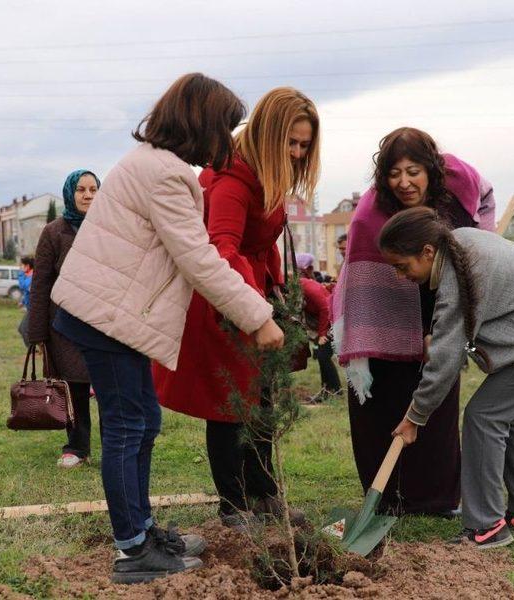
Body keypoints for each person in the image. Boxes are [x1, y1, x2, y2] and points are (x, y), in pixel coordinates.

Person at [50, 73, 284, 584]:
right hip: (107, 317)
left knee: (141, 422)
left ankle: (144, 529)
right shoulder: (167, 175)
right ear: (202, 125)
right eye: (225, 128)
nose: (228, 140)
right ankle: (134, 550)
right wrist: (258, 316)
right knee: (128, 427)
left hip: (113, 315)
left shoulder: (154, 165)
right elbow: (199, 259)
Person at [153, 87, 321, 532]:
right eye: (291, 142)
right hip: (223, 306)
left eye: (304, 145)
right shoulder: (233, 178)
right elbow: (220, 248)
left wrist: (281, 295)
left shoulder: (268, 176)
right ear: (268, 133)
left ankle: (265, 497)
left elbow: (262, 246)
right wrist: (254, 309)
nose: (298, 152)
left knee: (261, 402)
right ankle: (234, 506)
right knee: (230, 406)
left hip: (252, 298)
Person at [379, 206, 514, 549]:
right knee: (511, 418)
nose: (402, 276)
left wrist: (415, 416)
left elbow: (444, 360)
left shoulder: (458, 274)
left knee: (483, 417)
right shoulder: (460, 244)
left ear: (427, 252)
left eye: (403, 266)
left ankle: (485, 527)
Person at [330, 127, 495, 517]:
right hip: (383, 319)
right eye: (394, 173)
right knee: (382, 407)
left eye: (413, 171)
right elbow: (366, 280)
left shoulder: (453, 204)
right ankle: (385, 497)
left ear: (431, 171)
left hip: (443, 307)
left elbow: (471, 255)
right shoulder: (371, 215)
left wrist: (438, 331)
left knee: (435, 405)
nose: (404, 182)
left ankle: (435, 500)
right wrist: (406, 330)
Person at [28, 170, 100, 468]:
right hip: (65, 326)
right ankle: (77, 447)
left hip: (103, 322)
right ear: (70, 192)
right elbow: (41, 284)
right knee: (74, 386)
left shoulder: (108, 227)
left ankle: (117, 448)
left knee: (111, 388)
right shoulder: (54, 231)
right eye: (81, 189)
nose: (87, 195)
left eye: (94, 189)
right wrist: (37, 335)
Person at [295, 252, 342, 403]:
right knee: (323, 356)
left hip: (332, 319)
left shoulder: (305, 285)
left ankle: (332, 391)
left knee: (323, 355)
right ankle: (331, 391)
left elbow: (325, 307)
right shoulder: (305, 283)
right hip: (331, 320)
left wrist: (322, 333)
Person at [17, 256, 34, 347]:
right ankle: (35, 348)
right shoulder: (29, 276)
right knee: (24, 329)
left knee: (23, 329)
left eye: (22, 265)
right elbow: (28, 293)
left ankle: (32, 349)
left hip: (34, 309)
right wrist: (23, 302)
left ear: (27, 266)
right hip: (30, 308)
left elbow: (23, 286)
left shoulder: (32, 277)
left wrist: (20, 273)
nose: (21, 267)